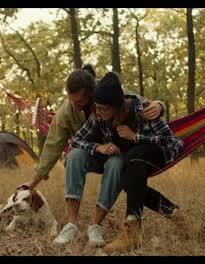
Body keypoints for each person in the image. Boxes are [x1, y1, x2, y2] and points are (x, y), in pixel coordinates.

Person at [20, 64, 168, 247]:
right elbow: (53, 145)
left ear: (93, 93)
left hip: (119, 155)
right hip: (91, 151)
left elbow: (138, 102)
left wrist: (160, 105)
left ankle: (96, 226)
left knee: (117, 165)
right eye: (71, 100)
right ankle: (71, 224)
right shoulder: (68, 110)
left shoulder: (108, 93)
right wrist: (33, 182)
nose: (75, 105)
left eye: (79, 101)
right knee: (74, 156)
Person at [70, 72, 184, 252]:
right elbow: (76, 140)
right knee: (127, 178)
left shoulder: (142, 110)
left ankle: (132, 229)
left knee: (133, 157)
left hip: (160, 153)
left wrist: (135, 136)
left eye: (103, 108)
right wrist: (98, 147)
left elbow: (172, 141)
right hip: (134, 163)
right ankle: (177, 216)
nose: (98, 112)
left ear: (117, 106)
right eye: (96, 107)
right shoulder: (98, 114)